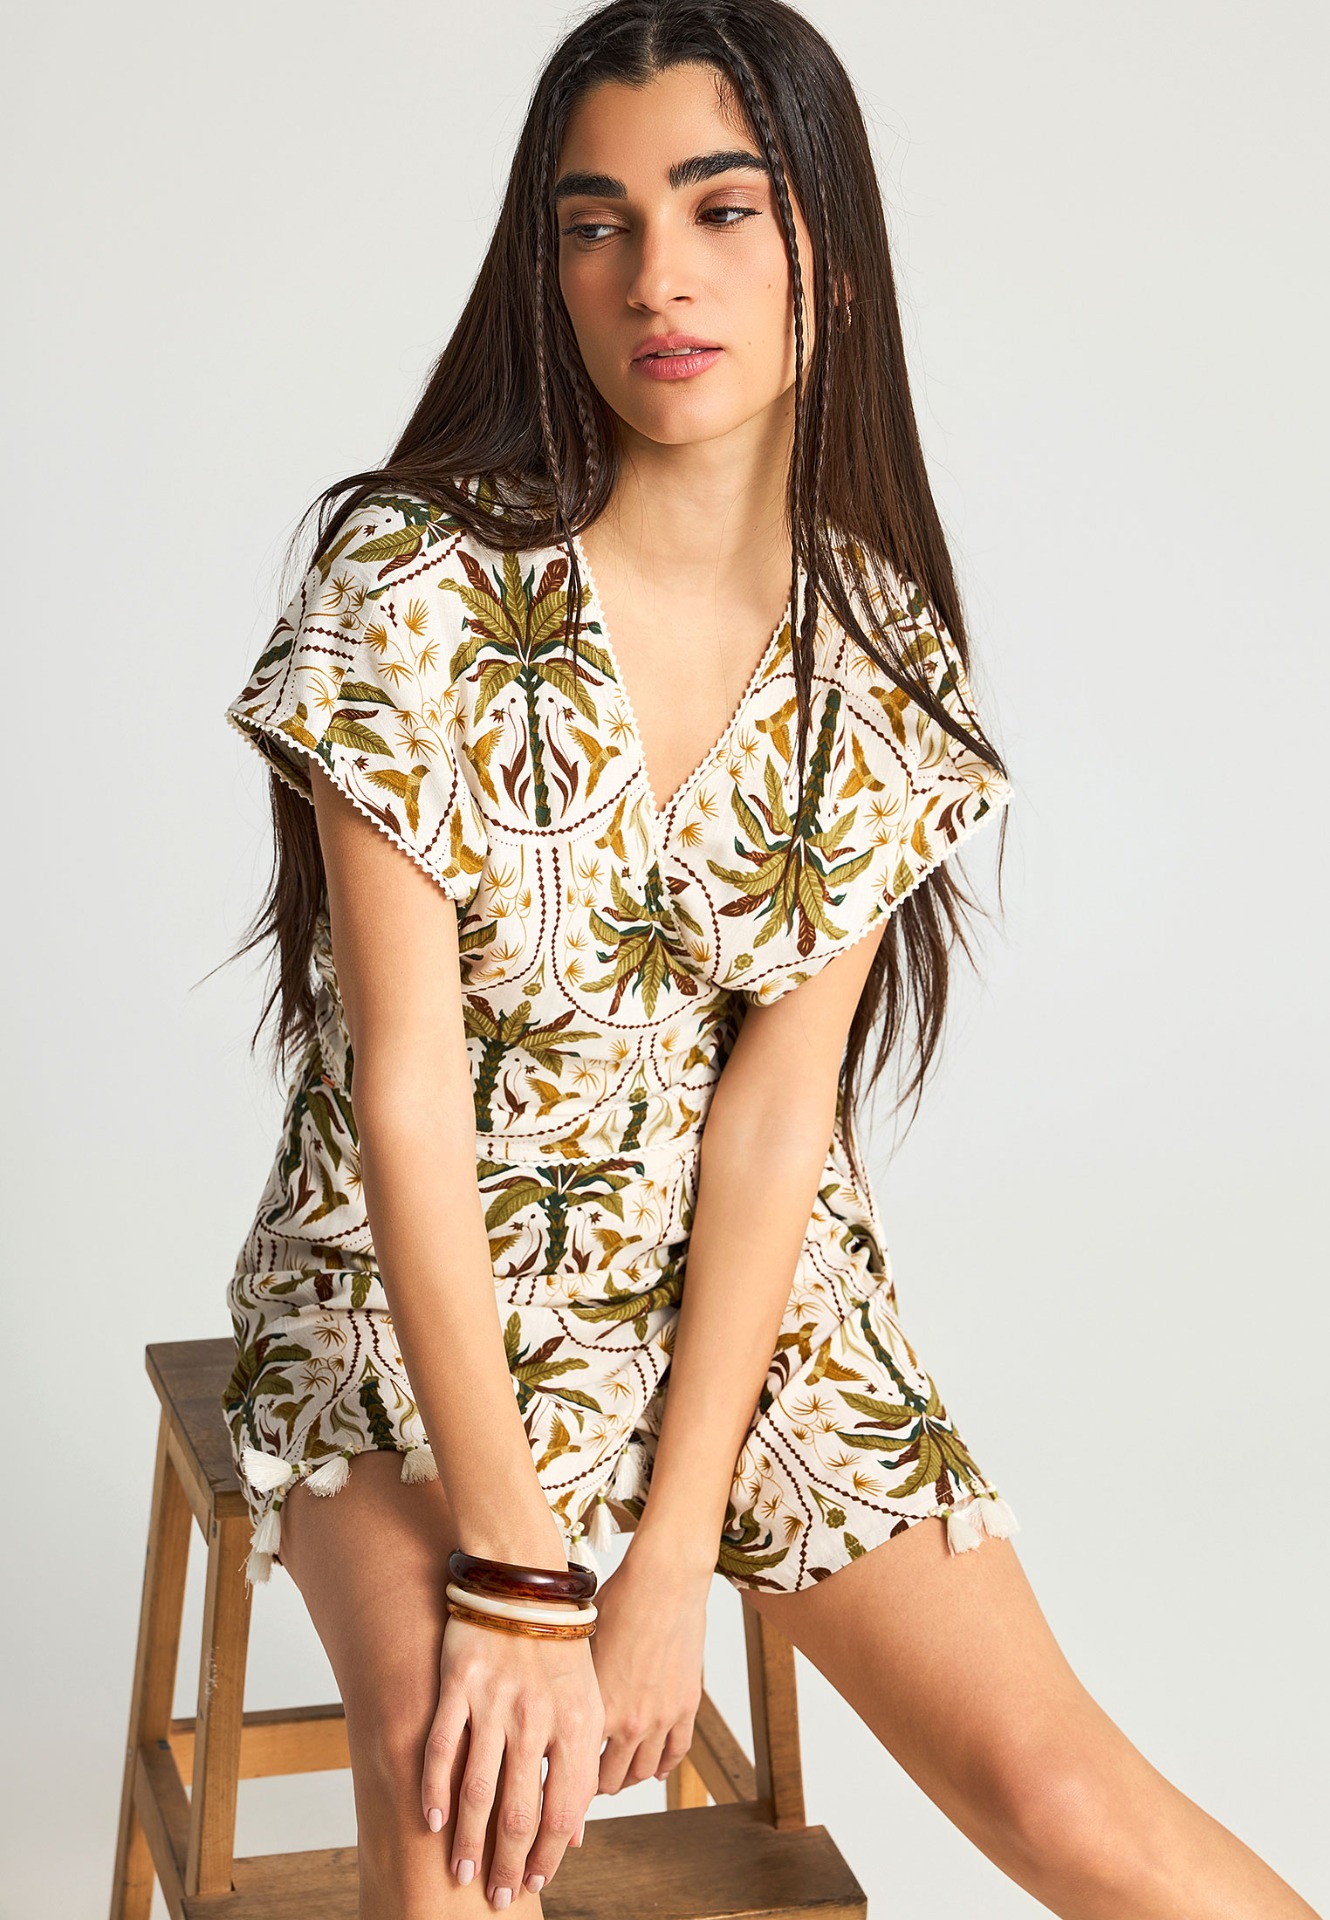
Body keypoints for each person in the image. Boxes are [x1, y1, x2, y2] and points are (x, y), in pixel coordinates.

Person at [218, 4, 1321, 1916]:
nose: (656, 276)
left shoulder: (875, 657)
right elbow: (404, 1097)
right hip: (409, 1294)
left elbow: (772, 1121)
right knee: (469, 1811)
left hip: (748, 1300)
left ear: (830, 248)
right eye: (596, 224)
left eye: (721, 210)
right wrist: (519, 1575)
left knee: (1066, 1796)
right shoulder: (408, 581)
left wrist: (664, 1567)